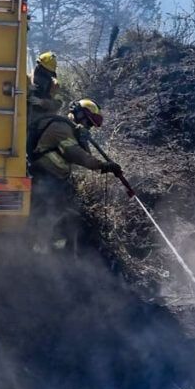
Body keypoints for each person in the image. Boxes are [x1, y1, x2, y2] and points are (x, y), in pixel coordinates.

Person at [29, 99, 121, 251]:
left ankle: (48, 250)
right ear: (79, 115)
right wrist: (102, 165)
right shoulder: (61, 127)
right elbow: (75, 154)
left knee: (56, 215)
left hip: (53, 180)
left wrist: (83, 140)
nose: (88, 127)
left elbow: (84, 155)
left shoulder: (70, 130)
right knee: (48, 215)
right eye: (88, 123)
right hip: (43, 178)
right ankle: (39, 252)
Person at [28, 51, 62, 122]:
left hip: (44, 119)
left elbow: (58, 104)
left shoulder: (54, 85)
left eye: (46, 71)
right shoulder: (29, 79)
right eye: (40, 68)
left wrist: (42, 102)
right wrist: (27, 89)